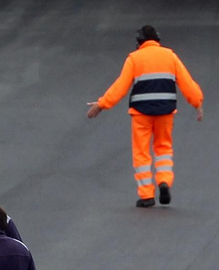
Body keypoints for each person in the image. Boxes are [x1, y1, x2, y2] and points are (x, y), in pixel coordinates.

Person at [86, 25, 204, 207]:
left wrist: (102, 104)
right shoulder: (170, 56)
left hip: (141, 114)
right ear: (157, 39)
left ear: (139, 42)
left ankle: (147, 194)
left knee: (141, 153)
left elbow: (120, 87)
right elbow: (187, 83)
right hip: (165, 112)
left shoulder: (134, 59)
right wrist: (197, 103)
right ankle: (164, 181)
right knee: (163, 148)